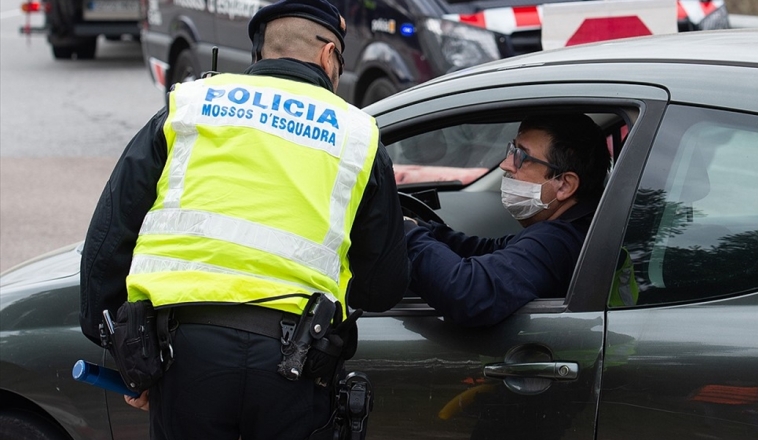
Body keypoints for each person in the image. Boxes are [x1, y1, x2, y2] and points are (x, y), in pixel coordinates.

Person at [78, 0, 410, 438]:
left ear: (260, 52)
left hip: (183, 355)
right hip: (294, 364)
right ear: (329, 55)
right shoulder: (358, 135)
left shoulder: (190, 105)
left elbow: (107, 241)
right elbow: (383, 286)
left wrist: (131, 361)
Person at [403, 113, 610, 327]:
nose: (506, 164)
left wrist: (404, 233)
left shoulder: (558, 242)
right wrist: (421, 228)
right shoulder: (581, 228)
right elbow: (489, 250)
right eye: (512, 150)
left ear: (565, 185)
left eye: (522, 156)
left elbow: (470, 295)